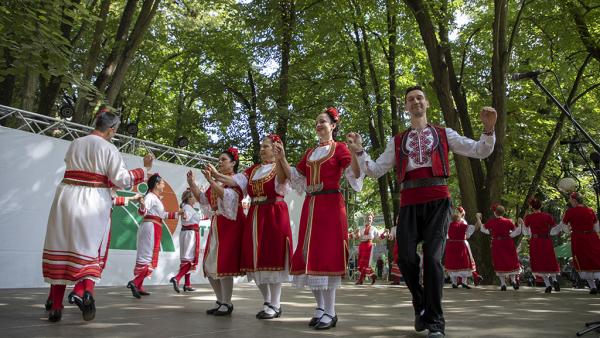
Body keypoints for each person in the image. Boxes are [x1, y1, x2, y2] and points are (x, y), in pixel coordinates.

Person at [346, 85, 496, 338]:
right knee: (404, 257)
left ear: (426, 104)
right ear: (406, 107)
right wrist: (359, 151)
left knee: (433, 259)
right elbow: (374, 170)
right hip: (409, 202)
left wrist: (488, 129)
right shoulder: (397, 140)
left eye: (419, 98)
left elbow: (478, 150)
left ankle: (436, 322)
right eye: (410, 99)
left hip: (438, 201)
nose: (415, 102)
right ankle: (420, 304)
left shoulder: (443, 133)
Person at [42, 108, 152, 322]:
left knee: (62, 246)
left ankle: (56, 306)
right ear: (111, 129)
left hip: (66, 195)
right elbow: (122, 180)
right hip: (91, 200)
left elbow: (78, 167)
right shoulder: (109, 148)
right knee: (89, 248)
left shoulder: (76, 143)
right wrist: (144, 171)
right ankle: (81, 292)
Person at [274, 107, 362, 330]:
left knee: (327, 256)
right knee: (308, 256)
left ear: (333, 125)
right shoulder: (311, 153)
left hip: (331, 206)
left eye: (323, 121)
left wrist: (354, 153)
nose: (319, 125)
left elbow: (355, 174)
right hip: (311, 206)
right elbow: (296, 178)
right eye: (317, 122)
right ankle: (321, 307)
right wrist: (282, 158)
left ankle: (331, 311)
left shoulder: (340, 148)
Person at [187, 147, 245, 315]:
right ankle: (220, 300)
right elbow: (204, 199)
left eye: (223, 160)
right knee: (209, 264)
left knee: (224, 264)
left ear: (233, 163)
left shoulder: (236, 180)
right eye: (219, 160)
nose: (219, 163)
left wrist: (212, 180)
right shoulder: (218, 182)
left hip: (231, 224)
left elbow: (228, 197)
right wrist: (192, 183)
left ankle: (227, 303)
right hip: (217, 223)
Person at [127, 173, 182, 298]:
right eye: (162, 182)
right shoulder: (150, 196)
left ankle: (139, 285)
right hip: (150, 227)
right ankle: (134, 283)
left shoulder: (156, 198)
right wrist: (141, 203)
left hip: (154, 226)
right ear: (157, 184)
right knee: (148, 257)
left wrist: (178, 213)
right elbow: (143, 211)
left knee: (148, 256)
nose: (163, 185)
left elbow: (163, 215)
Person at [557, 192, 600, 294]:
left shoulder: (570, 212)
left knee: (582, 260)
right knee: (595, 258)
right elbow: (597, 226)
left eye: (571, 200)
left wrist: (569, 231)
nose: (570, 202)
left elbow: (564, 225)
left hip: (578, 238)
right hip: (592, 237)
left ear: (575, 200)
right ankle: (593, 286)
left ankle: (593, 286)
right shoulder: (590, 210)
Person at [518, 198, 562, 293]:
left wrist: (522, 224)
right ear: (540, 206)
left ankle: (548, 285)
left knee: (540, 262)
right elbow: (555, 229)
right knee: (550, 260)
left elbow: (525, 232)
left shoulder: (529, 217)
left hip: (536, 241)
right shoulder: (548, 216)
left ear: (531, 207)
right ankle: (554, 280)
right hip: (546, 240)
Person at [478, 205, 522, 291]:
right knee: (511, 261)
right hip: (508, 242)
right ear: (503, 212)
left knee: (500, 261)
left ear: (495, 213)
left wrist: (478, 219)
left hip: (497, 243)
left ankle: (503, 284)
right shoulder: (508, 221)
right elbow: (515, 231)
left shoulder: (492, 221)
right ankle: (513, 281)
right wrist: (520, 225)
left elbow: (483, 229)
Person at [170, 190, 204, 293]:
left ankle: (187, 284)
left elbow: (190, 217)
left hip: (187, 233)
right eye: (193, 197)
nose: (194, 199)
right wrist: (185, 215)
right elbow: (186, 217)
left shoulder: (187, 207)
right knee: (190, 260)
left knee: (187, 259)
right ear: (189, 199)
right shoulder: (187, 208)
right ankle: (177, 278)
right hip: (190, 234)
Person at [443, 206, 477, 289]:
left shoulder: (448, 225)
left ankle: (454, 283)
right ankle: (463, 282)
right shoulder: (463, 225)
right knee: (463, 262)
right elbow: (473, 229)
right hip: (461, 244)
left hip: (451, 245)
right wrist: (478, 219)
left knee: (453, 262)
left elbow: (445, 234)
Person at [354, 212, 381, 285]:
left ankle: (360, 280)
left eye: (370, 218)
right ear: (365, 219)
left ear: (372, 220)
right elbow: (357, 237)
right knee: (362, 263)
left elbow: (378, 238)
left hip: (369, 246)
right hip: (362, 246)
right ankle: (372, 275)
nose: (369, 219)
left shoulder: (374, 228)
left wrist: (384, 235)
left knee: (365, 263)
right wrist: (356, 233)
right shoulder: (361, 228)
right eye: (368, 218)